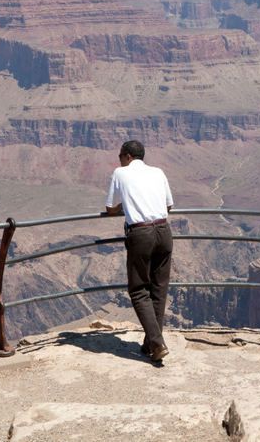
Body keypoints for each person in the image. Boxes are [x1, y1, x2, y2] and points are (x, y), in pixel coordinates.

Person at [105, 140, 174, 362]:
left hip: (141, 234)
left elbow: (109, 208)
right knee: (159, 288)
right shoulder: (158, 172)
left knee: (138, 289)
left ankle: (157, 342)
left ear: (127, 156)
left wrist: (127, 206)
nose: (119, 160)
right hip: (164, 231)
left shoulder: (120, 173)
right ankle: (151, 344)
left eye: (119, 156)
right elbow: (168, 205)